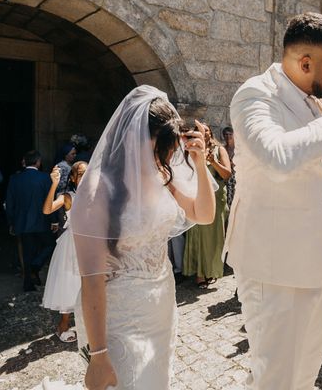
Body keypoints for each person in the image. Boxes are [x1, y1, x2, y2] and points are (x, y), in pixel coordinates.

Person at [223, 12, 322, 390]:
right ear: (305, 62)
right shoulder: (255, 95)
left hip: (319, 258)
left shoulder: (319, 102)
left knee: (305, 371)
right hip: (274, 263)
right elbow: (277, 157)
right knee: (274, 374)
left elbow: (321, 170)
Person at [70, 86, 216, 390]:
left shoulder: (162, 176)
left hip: (160, 306)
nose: (163, 158)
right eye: (157, 150)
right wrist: (98, 357)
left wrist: (201, 164)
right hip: (116, 319)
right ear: (130, 139)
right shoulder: (98, 191)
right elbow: (92, 280)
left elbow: (203, 214)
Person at [42, 161, 87, 343]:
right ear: (74, 178)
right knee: (70, 284)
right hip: (72, 245)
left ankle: (87, 323)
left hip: (91, 244)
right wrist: (54, 184)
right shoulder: (68, 196)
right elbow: (47, 210)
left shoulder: (96, 195)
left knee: (89, 285)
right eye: (82, 174)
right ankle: (63, 325)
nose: (86, 177)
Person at [182, 124, 231, 287]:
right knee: (196, 235)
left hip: (216, 199)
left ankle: (211, 271)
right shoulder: (190, 149)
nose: (205, 134)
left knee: (212, 236)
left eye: (207, 132)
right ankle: (199, 272)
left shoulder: (219, 150)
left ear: (210, 134)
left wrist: (213, 161)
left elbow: (227, 174)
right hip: (195, 197)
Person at [5, 150, 54, 292]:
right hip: (41, 221)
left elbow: (10, 203)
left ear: (25, 162)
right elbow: (49, 200)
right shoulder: (45, 178)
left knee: (27, 253)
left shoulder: (15, 179)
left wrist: (11, 222)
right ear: (38, 162)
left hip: (22, 223)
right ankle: (35, 266)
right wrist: (54, 220)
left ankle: (28, 283)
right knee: (50, 244)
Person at [221, 126, 236, 212]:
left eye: (230, 134)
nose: (228, 136)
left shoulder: (238, 148)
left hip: (237, 177)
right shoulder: (223, 149)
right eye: (226, 134)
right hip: (227, 179)